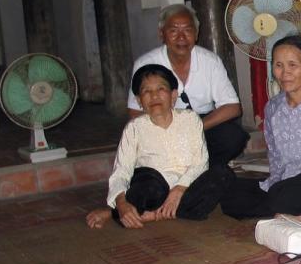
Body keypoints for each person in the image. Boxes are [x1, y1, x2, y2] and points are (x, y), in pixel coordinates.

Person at [86, 64, 233, 229]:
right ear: (139, 101)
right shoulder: (134, 128)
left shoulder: (191, 119)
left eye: (161, 89)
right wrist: (120, 203)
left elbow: (200, 162)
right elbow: (121, 171)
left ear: (173, 96)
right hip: (152, 191)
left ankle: (154, 214)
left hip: (185, 190)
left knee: (223, 173)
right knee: (149, 182)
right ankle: (131, 211)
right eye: (146, 91)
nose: (154, 96)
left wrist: (178, 189)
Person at [220, 36, 301, 218]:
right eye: (279, 65)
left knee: (282, 197)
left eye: (293, 65)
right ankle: (288, 208)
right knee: (232, 199)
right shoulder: (272, 107)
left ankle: (291, 208)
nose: (285, 72)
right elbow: (275, 156)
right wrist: (273, 184)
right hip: (286, 182)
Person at [127, 4, 248, 167]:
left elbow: (232, 107)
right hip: (163, 124)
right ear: (162, 34)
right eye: (174, 30)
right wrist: (166, 130)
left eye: (188, 30)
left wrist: (194, 128)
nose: (181, 37)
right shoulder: (145, 64)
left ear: (196, 34)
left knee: (234, 137)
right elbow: (135, 111)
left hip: (201, 123)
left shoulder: (210, 61)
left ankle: (201, 169)